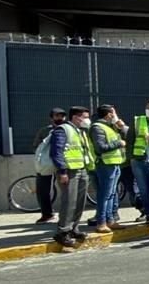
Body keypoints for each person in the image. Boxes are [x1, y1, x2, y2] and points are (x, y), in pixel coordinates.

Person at [49, 106, 94, 248]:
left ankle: (74, 228)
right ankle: (63, 232)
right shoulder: (63, 130)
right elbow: (57, 152)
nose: (87, 120)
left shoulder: (80, 131)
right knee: (69, 202)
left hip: (82, 169)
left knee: (80, 202)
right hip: (69, 172)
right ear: (75, 117)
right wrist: (62, 172)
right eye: (85, 117)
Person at [90, 104, 129, 233]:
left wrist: (120, 125)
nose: (115, 116)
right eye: (114, 113)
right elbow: (100, 147)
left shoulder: (111, 127)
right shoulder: (98, 128)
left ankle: (110, 220)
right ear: (109, 115)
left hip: (115, 164)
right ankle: (101, 222)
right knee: (105, 194)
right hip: (105, 164)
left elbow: (127, 134)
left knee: (112, 194)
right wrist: (119, 143)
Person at [32, 108, 67, 223]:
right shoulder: (44, 131)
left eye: (62, 116)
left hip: (63, 163)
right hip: (47, 163)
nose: (60, 118)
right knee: (42, 190)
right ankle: (47, 214)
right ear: (51, 118)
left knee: (66, 190)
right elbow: (36, 146)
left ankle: (66, 216)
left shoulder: (69, 130)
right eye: (57, 116)